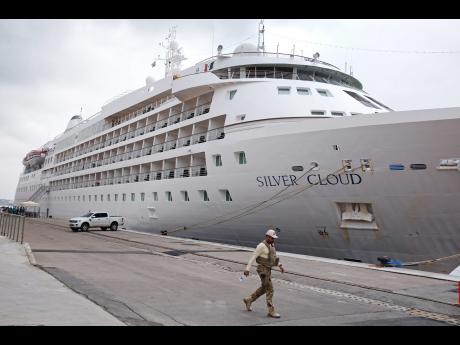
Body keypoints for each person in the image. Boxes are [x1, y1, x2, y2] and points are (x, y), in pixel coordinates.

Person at [243, 229, 285, 318]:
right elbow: (253, 257)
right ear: (267, 237)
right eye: (272, 238)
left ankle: (248, 299)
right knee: (270, 289)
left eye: (274, 238)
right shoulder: (261, 246)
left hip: (268, 269)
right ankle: (271, 311)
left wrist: (280, 265)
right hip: (262, 270)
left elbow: (274, 257)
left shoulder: (272, 245)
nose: (273, 240)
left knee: (264, 288)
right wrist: (247, 269)